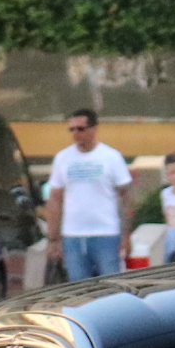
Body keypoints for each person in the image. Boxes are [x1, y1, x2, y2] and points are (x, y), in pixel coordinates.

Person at [43, 109, 133, 281]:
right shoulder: (63, 158)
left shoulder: (111, 157)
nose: (76, 134)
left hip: (106, 234)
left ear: (94, 129)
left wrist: (126, 235)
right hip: (73, 237)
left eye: (81, 129)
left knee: (110, 287)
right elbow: (55, 198)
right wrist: (53, 238)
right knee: (79, 289)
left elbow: (126, 197)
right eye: (72, 129)